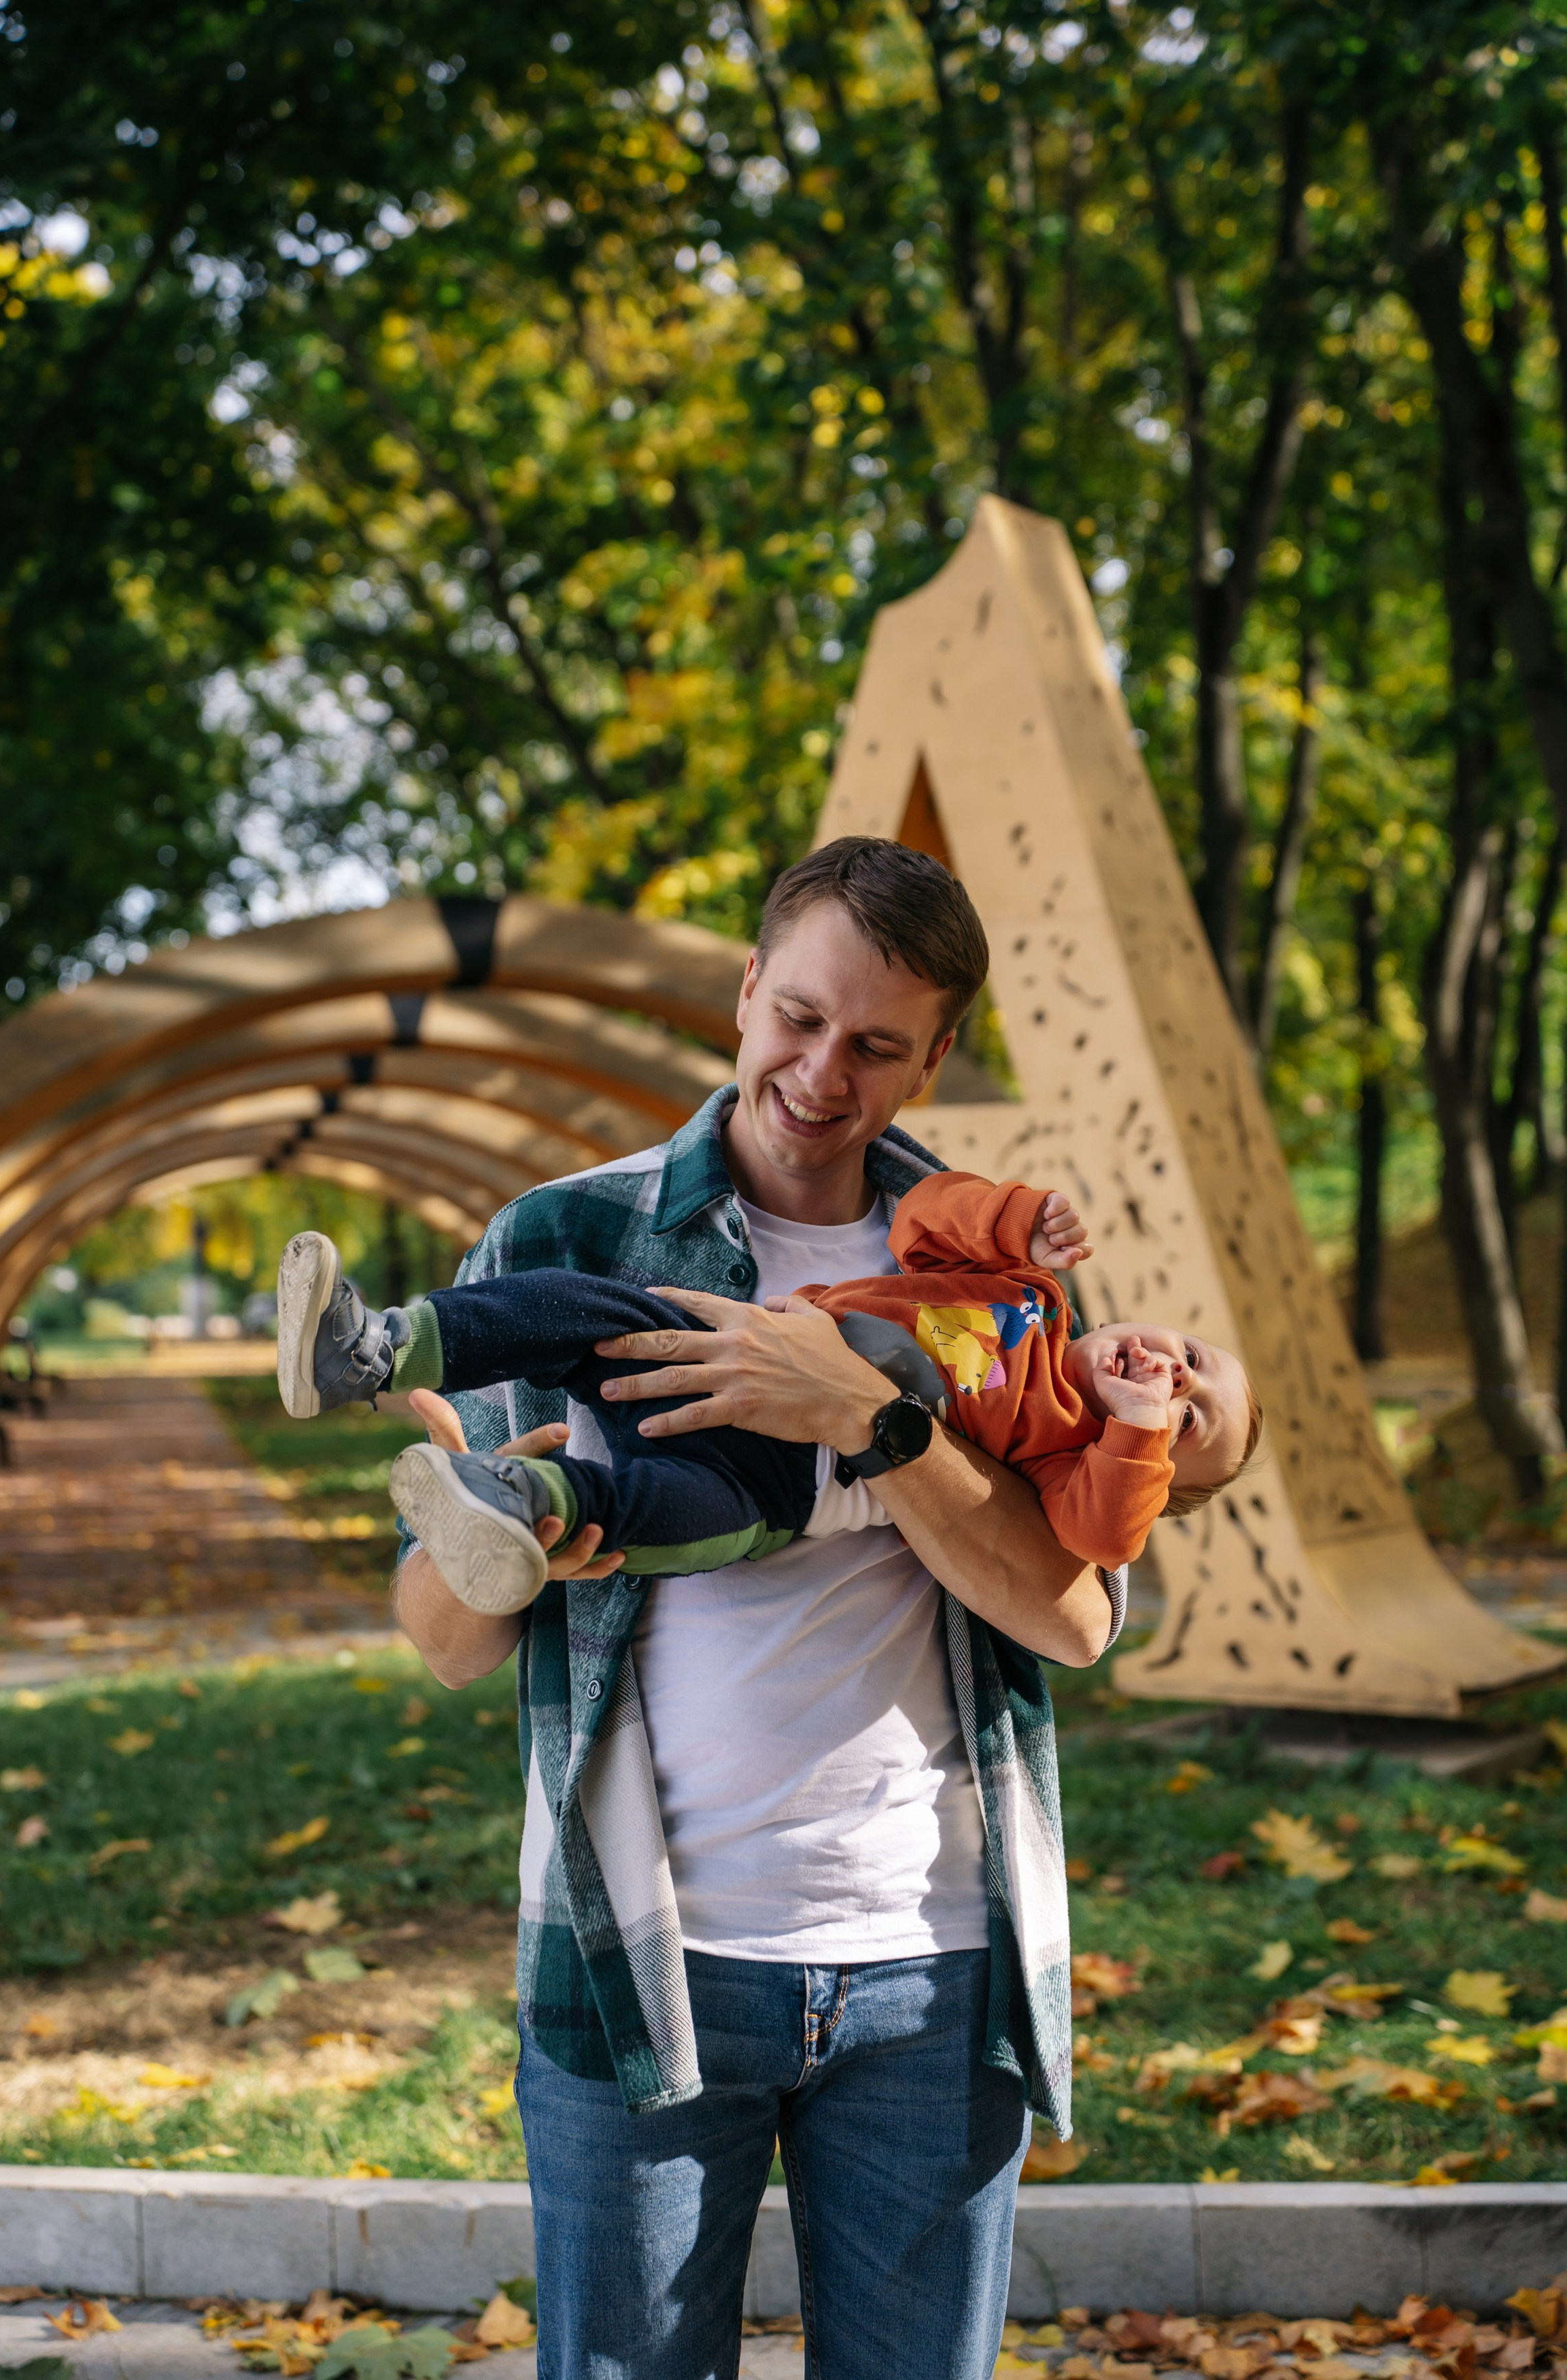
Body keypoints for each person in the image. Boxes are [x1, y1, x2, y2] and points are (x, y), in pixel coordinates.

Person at [384, 838, 1126, 2380]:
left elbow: (1076, 1617)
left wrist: (869, 1415)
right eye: (797, 1015)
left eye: (872, 1043)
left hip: (932, 1964)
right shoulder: (563, 1244)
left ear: (933, 1060)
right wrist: (510, 1528)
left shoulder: (1000, 1280)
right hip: (642, 1960)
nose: (818, 1071)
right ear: (745, 992)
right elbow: (441, 1645)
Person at [277, 1176, 1260, 1606]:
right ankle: (371, 1350)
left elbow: (1101, 1539)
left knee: (669, 1519)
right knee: (590, 1308)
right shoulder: (1030, 1296)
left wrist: (1132, 1432)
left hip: (787, 1483)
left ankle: (522, 1501)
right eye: (1194, 1361)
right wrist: (1016, 1220)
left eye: (1185, 1421)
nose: (1172, 1382)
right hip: (723, 1350)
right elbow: (924, 1213)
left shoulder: (1065, 1458)